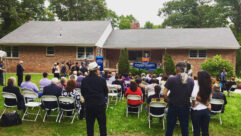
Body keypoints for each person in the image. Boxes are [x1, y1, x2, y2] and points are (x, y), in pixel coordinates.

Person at [163, 62, 194, 136]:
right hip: (185, 106)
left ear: (177, 69)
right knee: (184, 127)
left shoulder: (171, 79)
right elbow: (191, 94)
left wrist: (168, 101)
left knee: (170, 127)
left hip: (173, 105)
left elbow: (164, 94)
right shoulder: (191, 81)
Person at [81, 62, 108, 136]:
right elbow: (105, 92)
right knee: (102, 125)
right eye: (98, 69)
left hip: (89, 105)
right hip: (100, 104)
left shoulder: (84, 80)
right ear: (96, 70)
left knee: (89, 126)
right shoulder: (102, 80)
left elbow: (82, 92)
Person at [191, 71, 212, 136]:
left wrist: (193, 104)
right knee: (205, 131)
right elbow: (210, 99)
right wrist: (207, 104)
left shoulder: (195, 84)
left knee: (196, 131)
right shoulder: (209, 85)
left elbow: (193, 96)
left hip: (196, 111)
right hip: (206, 110)